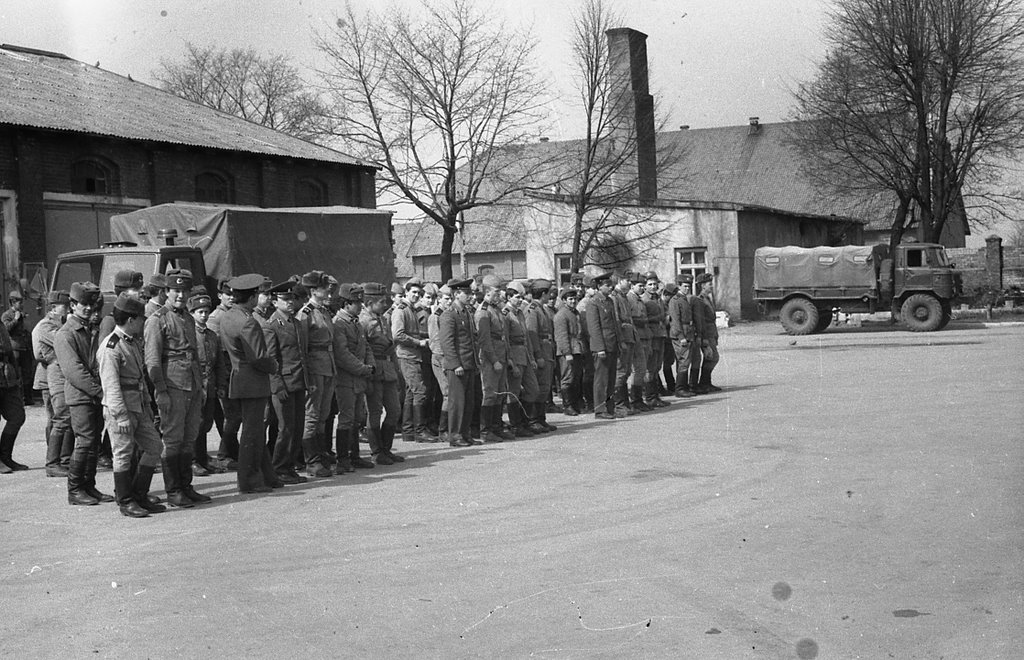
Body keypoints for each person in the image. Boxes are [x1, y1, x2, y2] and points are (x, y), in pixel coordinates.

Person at [145, 268, 211, 508]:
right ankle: (173, 490)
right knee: (173, 438)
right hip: (171, 385)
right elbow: (152, 360)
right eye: (176, 290)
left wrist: (200, 386)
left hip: (191, 383)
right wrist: (161, 390)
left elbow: (194, 355)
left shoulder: (188, 318)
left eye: (184, 290)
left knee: (189, 436)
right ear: (166, 292)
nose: (181, 295)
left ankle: (186, 486)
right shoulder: (157, 320)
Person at [98, 293, 166, 518]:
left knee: (155, 446)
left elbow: (140, 378)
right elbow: (111, 386)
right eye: (140, 318)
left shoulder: (131, 342)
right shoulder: (112, 347)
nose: (143, 322)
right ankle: (126, 500)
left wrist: (147, 405)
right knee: (123, 454)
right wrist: (120, 415)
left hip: (138, 408)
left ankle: (139, 493)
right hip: (122, 411)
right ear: (130, 320)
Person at [219, 273, 281, 493]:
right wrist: (274, 365)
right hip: (253, 381)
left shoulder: (228, 316)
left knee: (253, 430)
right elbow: (258, 357)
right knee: (253, 433)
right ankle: (249, 480)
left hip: (240, 379)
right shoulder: (248, 321)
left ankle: (267, 475)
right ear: (253, 296)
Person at [54, 282, 111, 504]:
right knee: (85, 441)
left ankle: (89, 486)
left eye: (91, 305)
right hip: (81, 397)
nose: (88, 309)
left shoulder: (89, 329)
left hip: (93, 395)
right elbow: (74, 372)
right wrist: (99, 392)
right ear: (73, 305)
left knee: (93, 442)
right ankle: (75, 489)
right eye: (83, 304)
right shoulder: (66, 334)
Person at [263, 282, 311, 483]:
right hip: (284, 383)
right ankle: (280, 467)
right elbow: (271, 359)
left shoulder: (296, 323)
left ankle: (289, 467)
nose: (290, 303)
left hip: (298, 381)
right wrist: (277, 385)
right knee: (285, 428)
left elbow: (301, 354)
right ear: (274, 302)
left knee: (297, 427)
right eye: (285, 299)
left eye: (292, 299)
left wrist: (308, 382)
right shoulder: (271, 325)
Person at [296, 270, 336, 478]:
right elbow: (302, 348)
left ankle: (320, 454)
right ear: (313, 290)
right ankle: (311, 461)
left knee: (323, 413)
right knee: (312, 415)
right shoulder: (306, 313)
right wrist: (307, 376)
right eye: (324, 288)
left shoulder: (324, 311)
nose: (329, 291)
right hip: (315, 367)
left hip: (328, 366)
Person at [359, 283, 405, 465]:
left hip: (388, 368)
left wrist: (397, 370)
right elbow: (362, 349)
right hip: (374, 369)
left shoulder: (383, 318)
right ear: (369, 302)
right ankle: (377, 451)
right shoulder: (363, 321)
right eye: (381, 301)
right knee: (375, 412)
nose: (385, 304)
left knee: (394, 410)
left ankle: (386, 448)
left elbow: (391, 346)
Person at [34, 290, 73, 477]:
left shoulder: (63, 323)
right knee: (61, 417)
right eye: (64, 307)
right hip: (56, 372)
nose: (67, 310)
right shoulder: (46, 326)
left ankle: (65, 460)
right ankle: (52, 463)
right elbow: (63, 341)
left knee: (69, 417)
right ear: (53, 308)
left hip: (66, 372)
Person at [189, 292, 228, 476]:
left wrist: (220, 384)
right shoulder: (189, 334)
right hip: (196, 385)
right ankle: (194, 460)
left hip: (210, 383)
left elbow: (219, 362)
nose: (203, 315)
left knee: (206, 424)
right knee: (196, 423)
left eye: (206, 312)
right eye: (199, 312)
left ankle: (203, 457)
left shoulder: (212, 335)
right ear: (193, 313)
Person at [392, 277, 434, 443]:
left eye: (419, 292)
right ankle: (419, 430)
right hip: (406, 355)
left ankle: (408, 430)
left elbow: (412, 332)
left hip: (412, 355)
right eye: (414, 292)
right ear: (406, 292)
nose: (416, 295)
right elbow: (398, 335)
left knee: (411, 393)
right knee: (419, 392)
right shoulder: (401, 310)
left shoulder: (411, 310)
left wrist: (426, 337)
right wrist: (419, 342)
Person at [439, 278, 479, 447]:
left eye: (470, 293)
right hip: (458, 365)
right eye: (466, 293)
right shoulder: (449, 314)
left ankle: (464, 433)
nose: (470, 296)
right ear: (456, 294)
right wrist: (456, 364)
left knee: (469, 401)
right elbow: (447, 342)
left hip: (468, 363)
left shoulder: (466, 312)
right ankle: (455, 435)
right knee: (457, 402)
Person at [474, 274, 509, 443]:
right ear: (487, 291)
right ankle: (486, 430)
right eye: (497, 291)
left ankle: (496, 426)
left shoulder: (495, 309)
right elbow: (485, 341)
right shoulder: (483, 312)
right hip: (490, 359)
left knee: (500, 393)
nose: (499, 294)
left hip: (501, 356)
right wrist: (494, 360)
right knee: (490, 393)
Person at [502, 280, 538, 437]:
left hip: (525, 356)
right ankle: (516, 425)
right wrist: (511, 362)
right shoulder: (506, 314)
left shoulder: (520, 313)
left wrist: (532, 358)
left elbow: (526, 337)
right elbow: (506, 340)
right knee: (514, 392)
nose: (520, 300)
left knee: (533, 389)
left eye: (521, 296)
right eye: (517, 296)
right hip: (515, 358)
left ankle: (525, 421)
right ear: (509, 297)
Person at [585, 272, 620, 420]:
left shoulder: (609, 301)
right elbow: (594, 328)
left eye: (611, 284)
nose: (610, 287)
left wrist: (619, 342)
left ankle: (610, 408)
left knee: (611, 378)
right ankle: (600, 410)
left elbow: (614, 324)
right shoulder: (593, 303)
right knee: (601, 379)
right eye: (607, 285)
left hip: (612, 344)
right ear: (599, 286)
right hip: (602, 347)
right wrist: (600, 348)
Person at [524, 279, 556, 433]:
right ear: (543, 293)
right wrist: (538, 355)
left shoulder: (541, 309)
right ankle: (533, 419)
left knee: (545, 387)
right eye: (548, 293)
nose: (550, 296)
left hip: (547, 350)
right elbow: (532, 334)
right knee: (538, 387)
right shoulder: (532, 310)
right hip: (541, 351)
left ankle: (541, 418)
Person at [0, 301, 27, 473]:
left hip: (7, 375)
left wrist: (17, 376)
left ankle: (5, 456)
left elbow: (9, 350)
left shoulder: (1, 323)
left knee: (17, 416)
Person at [553, 287, 585, 416]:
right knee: (567, 378)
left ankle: (576, 404)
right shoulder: (561, 315)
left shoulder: (575, 313)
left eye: (575, 299)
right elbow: (561, 336)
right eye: (570, 299)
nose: (573, 301)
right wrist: (567, 353)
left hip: (577, 348)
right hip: (568, 351)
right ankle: (568, 405)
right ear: (564, 301)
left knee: (577, 377)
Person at [641, 271, 670, 408]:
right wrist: (656, 319)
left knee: (657, 366)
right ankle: (650, 397)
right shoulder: (643, 299)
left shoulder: (658, 298)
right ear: (645, 286)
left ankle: (655, 395)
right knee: (650, 368)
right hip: (651, 336)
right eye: (650, 284)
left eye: (655, 284)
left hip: (660, 335)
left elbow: (663, 313)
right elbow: (643, 319)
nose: (653, 286)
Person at [427, 285, 452, 441]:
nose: (449, 301)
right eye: (446, 299)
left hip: (448, 358)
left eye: (450, 299)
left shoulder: (447, 315)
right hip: (439, 358)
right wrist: (444, 361)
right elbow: (436, 342)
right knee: (447, 393)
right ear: (439, 299)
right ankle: (443, 430)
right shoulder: (435, 316)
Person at [691, 273, 722, 394]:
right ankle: (703, 383)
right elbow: (701, 320)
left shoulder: (707, 299)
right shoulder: (700, 300)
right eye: (710, 284)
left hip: (711, 332)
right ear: (703, 286)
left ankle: (706, 382)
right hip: (706, 333)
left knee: (711, 358)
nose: (712, 287)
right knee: (713, 357)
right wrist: (703, 337)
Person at [667, 276, 697, 398]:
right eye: (684, 286)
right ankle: (679, 389)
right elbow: (675, 320)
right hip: (680, 334)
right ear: (679, 286)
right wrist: (681, 337)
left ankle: (683, 387)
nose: (687, 288)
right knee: (683, 361)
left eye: (689, 286)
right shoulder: (675, 300)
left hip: (688, 332)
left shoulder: (685, 299)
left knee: (685, 361)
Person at [3, 290, 35, 404]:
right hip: (15, 348)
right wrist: (15, 320)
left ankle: (28, 398)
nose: (21, 305)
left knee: (27, 373)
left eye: (22, 302)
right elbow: (6, 330)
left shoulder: (23, 314)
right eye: (19, 302)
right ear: (12, 302)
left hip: (25, 347)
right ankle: (18, 399)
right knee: (16, 374)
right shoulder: (7, 315)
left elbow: (27, 330)